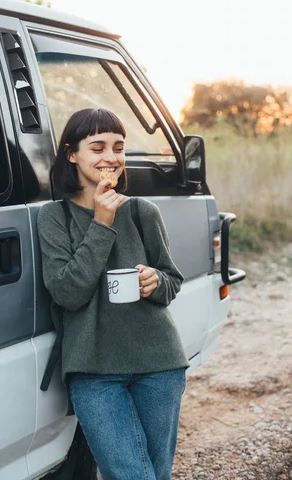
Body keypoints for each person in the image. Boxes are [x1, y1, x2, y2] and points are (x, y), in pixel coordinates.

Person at [37, 108, 189, 480]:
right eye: (98, 147)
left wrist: (156, 281)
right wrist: (101, 224)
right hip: (94, 370)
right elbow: (67, 292)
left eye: (119, 147)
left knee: (157, 473)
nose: (111, 157)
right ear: (72, 154)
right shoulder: (54, 217)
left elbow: (172, 280)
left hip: (159, 363)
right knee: (130, 475)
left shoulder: (142, 211)